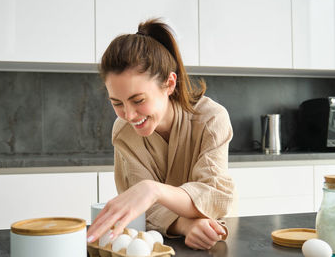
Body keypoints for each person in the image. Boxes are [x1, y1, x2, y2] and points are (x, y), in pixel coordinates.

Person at [86, 18, 235, 250]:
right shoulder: (124, 132)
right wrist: (185, 225)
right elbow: (139, 210)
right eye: (117, 103)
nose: (129, 114)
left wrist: (152, 189)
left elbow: (214, 196)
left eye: (138, 100)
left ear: (169, 84)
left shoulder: (211, 119)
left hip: (211, 241)